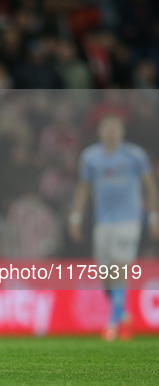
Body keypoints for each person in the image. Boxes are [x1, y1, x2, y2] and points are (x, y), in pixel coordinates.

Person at [69, 115, 159, 341]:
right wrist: (75, 217)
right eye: (106, 129)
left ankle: (111, 323)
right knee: (107, 274)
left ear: (121, 132)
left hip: (129, 220)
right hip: (103, 223)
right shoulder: (90, 157)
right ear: (100, 132)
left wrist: (154, 217)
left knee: (120, 267)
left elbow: (150, 186)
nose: (110, 133)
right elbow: (83, 188)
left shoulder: (134, 155)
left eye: (114, 129)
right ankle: (124, 315)